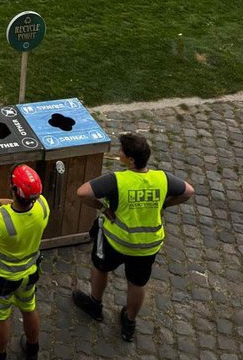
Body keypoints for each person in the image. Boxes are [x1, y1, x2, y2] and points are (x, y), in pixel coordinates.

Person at [72, 131, 194, 342]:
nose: (118, 153)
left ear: (130, 159)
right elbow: (188, 191)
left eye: (121, 151)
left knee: (100, 268)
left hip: (115, 241)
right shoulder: (161, 178)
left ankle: (95, 304)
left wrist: (102, 207)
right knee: (137, 283)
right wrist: (164, 204)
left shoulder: (117, 180)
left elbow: (83, 193)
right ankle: (129, 322)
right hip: (147, 246)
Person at [0, 165, 49, 360]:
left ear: (14, 190)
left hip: (2, 279)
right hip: (29, 273)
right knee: (29, 307)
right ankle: (32, 348)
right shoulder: (42, 206)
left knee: (0, 317)